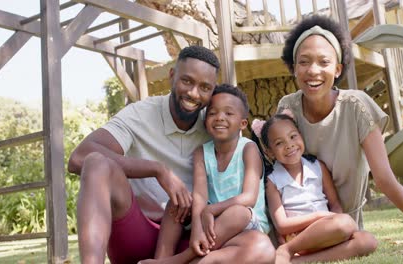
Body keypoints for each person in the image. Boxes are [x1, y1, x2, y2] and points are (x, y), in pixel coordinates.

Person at [67, 46, 274, 264]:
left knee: (260, 248)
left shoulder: (217, 122)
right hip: (136, 231)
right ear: (172, 76)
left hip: (191, 238)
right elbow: (79, 158)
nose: (194, 93)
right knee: (97, 163)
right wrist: (157, 170)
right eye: (187, 81)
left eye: (204, 87)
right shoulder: (140, 114)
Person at [276, 14, 403, 249]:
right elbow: (276, 174)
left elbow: (385, 180)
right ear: (293, 68)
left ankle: (289, 257)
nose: (313, 70)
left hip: (340, 228)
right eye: (304, 62)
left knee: (367, 243)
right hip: (297, 223)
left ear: (337, 69)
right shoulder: (287, 106)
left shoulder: (357, 107)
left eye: (323, 62)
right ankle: (287, 249)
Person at [141, 84, 270, 264]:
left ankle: (177, 260)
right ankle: (161, 257)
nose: (220, 118)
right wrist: (196, 229)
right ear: (205, 121)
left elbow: (249, 197)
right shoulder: (201, 152)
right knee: (177, 202)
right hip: (213, 224)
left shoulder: (248, 148)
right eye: (212, 113)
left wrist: (211, 210)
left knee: (238, 213)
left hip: (246, 225)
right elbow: (200, 195)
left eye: (228, 113)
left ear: (242, 123)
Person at [252, 114, 376, 263]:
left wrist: (334, 223)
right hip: (298, 238)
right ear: (269, 152)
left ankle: (299, 261)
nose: (289, 145)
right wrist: (319, 216)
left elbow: (335, 204)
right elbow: (282, 225)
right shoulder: (273, 180)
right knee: (346, 223)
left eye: (293, 137)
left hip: (327, 233)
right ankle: (287, 249)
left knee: (368, 241)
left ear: (301, 136)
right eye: (279, 143)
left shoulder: (318, 167)